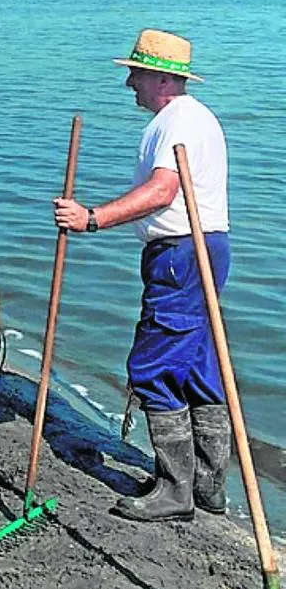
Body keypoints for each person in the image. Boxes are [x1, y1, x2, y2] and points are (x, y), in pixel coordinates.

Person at [53, 29, 230, 523]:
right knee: (197, 365)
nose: (129, 82)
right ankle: (208, 486)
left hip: (182, 252)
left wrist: (91, 218)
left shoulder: (178, 122)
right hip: (204, 248)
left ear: (161, 79)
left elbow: (161, 192)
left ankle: (176, 490)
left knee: (152, 365)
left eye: (135, 72)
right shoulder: (192, 118)